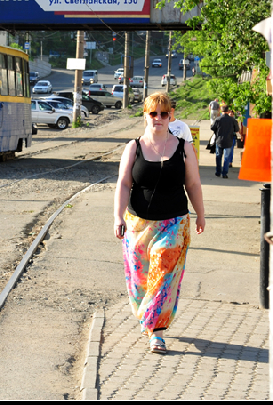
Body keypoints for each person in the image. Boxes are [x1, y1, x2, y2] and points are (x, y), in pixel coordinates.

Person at [114, 92, 206, 355]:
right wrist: (116, 216)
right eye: (153, 113)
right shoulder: (133, 147)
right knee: (141, 282)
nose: (158, 118)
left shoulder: (183, 146)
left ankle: (157, 333)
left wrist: (200, 213)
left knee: (164, 275)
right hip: (138, 225)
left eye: (164, 113)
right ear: (145, 115)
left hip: (174, 222)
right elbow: (123, 183)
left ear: (170, 117)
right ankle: (150, 318)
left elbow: (194, 184)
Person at [211, 105, 238, 178]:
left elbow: (212, 128)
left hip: (219, 140)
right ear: (228, 111)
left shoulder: (218, 119)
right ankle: (224, 173)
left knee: (218, 156)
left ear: (221, 111)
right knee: (227, 158)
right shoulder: (232, 120)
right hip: (229, 141)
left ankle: (218, 172)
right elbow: (237, 129)